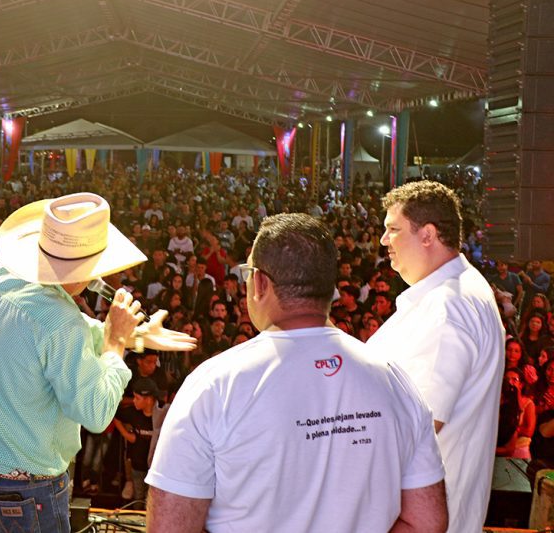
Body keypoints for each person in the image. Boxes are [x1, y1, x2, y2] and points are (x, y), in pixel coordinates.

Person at [146, 213, 447, 533]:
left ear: (260, 282)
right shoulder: (395, 382)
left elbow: (170, 527)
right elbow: (426, 522)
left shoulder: (214, 387)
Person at [0, 192, 195, 532]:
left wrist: (134, 336)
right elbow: (96, 412)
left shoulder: (3, 273)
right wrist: (116, 342)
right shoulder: (60, 320)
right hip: (29, 484)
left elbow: (50, 338)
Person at [368, 181, 504, 532]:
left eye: (393, 229)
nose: (384, 240)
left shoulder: (448, 307)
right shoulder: (452, 294)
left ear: (427, 234)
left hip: (419, 517)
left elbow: (420, 427)